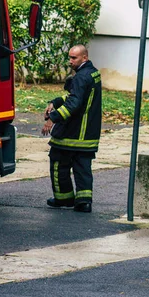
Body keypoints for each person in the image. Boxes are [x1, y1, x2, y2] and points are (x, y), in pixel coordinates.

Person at [42, 45, 102, 213]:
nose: (70, 61)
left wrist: (52, 119)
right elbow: (76, 95)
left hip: (73, 133)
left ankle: (64, 198)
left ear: (85, 57)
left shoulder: (81, 77)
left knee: (57, 161)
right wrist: (56, 101)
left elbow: (74, 103)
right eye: (69, 57)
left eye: (74, 58)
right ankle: (84, 201)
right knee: (82, 167)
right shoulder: (93, 73)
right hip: (88, 133)